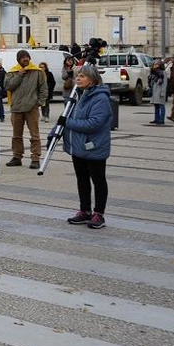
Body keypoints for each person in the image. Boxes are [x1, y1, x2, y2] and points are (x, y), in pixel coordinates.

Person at [63, 64, 113, 229]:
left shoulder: (100, 98)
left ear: (92, 80)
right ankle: (85, 210)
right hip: (78, 145)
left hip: (94, 146)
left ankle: (99, 213)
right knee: (82, 179)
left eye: (82, 76)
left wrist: (68, 123)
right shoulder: (78, 95)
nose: (78, 79)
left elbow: (94, 123)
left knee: (98, 180)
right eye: (77, 76)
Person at [4, 49, 48, 168]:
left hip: (31, 108)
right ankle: (17, 156)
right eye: (23, 57)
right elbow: (8, 86)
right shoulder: (12, 72)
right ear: (18, 59)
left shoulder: (37, 72)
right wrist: (19, 74)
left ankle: (35, 158)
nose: (25, 59)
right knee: (16, 135)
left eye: (27, 57)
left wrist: (39, 102)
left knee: (34, 135)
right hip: (17, 107)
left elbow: (43, 89)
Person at [148, 60, 167, 125]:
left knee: (161, 105)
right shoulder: (152, 73)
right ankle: (156, 119)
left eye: (157, 64)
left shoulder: (163, 72)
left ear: (160, 65)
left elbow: (164, 83)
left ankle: (161, 120)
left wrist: (163, 92)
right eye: (154, 64)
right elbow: (151, 82)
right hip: (154, 91)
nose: (155, 65)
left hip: (159, 91)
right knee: (156, 106)